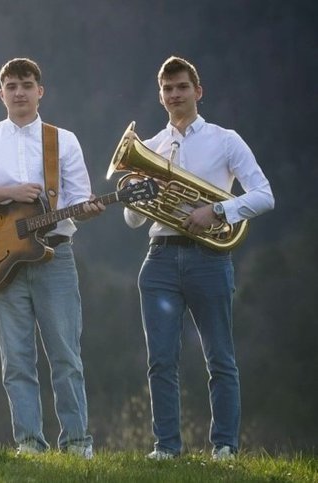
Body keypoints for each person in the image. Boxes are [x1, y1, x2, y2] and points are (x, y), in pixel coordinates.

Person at [125, 56, 274, 461]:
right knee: (160, 361)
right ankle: (167, 447)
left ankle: (224, 446)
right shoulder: (151, 146)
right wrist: (142, 192)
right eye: (168, 89)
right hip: (158, 259)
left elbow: (264, 195)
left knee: (220, 357)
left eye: (182, 87)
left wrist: (218, 211)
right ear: (161, 96)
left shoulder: (226, 140)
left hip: (208, 257)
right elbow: (133, 220)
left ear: (198, 91)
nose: (175, 95)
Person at [0, 58, 103, 458]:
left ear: (41, 91)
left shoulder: (63, 140)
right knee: (16, 359)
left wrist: (84, 209)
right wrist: (9, 193)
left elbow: (77, 198)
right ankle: (29, 443)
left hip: (56, 257)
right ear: (1, 94)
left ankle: (76, 442)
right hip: (3, 263)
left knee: (66, 356)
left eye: (27, 84)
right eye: (12, 86)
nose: (20, 92)